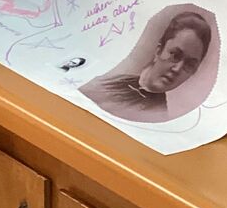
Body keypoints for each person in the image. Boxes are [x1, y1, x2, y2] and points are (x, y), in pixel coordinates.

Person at [81, 9, 213, 123]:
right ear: (159, 49)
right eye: (175, 55)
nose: (177, 69)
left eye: (189, 65)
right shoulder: (109, 79)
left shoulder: (158, 117)